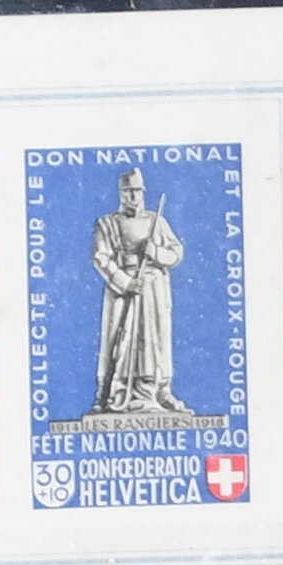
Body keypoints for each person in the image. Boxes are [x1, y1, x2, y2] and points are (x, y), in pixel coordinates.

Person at [82, 166, 187, 419]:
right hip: (123, 289)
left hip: (153, 289)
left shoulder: (156, 221)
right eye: (129, 191)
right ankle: (110, 394)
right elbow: (101, 258)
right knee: (119, 340)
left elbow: (176, 252)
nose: (133, 196)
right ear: (121, 193)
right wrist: (126, 282)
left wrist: (156, 253)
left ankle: (158, 390)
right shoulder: (107, 224)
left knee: (155, 339)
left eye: (137, 191)